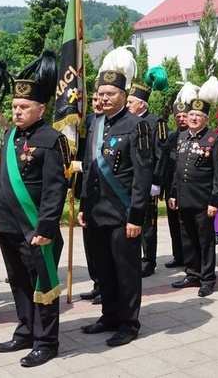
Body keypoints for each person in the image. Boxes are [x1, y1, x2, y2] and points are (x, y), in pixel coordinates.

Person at [0, 51, 70, 367]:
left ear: (40, 108)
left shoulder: (52, 139)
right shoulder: (9, 136)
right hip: (9, 226)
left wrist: (46, 229)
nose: (17, 111)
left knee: (43, 285)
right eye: (14, 107)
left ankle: (47, 341)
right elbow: (3, 181)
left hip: (36, 229)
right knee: (18, 282)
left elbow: (54, 190)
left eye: (24, 107)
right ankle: (25, 331)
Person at [79, 48, 153, 347]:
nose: (104, 98)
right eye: (101, 93)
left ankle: (128, 322)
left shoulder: (138, 127)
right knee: (104, 271)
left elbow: (143, 175)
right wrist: (84, 206)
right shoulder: (95, 123)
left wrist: (136, 215)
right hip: (97, 212)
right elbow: (88, 169)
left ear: (123, 94)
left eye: (111, 93)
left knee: (126, 272)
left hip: (123, 216)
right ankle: (109, 315)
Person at [169, 77, 218, 297]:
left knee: (205, 241)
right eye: (191, 115)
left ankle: (208, 278)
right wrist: (173, 194)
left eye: (198, 116)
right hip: (184, 198)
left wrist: (214, 201)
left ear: (206, 118)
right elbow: (177, 169)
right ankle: (192, 273)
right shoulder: (182, 137)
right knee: (187, 238)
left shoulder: (213, 139)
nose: (193, 118)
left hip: (203, 201)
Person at [126, 66, 169, 278]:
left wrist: (157, 182)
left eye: (130, 102)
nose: (127, 105)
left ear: (141, 104)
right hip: (130, 180)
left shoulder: (156, 122)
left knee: (148, 223)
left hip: (148, 181)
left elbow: (161, 154)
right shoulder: (127, 121)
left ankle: (149, 260)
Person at [78, 90, 103, 304]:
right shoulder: (89, 122)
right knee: (90, 244)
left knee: (104, 248)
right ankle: (97, 282)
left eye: (99, 99)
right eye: (93, 99)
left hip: (108, 197)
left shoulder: (113, 124)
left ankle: (106, 287)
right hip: (89, 193)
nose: (97, 103)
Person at [162, 99, 190, 269]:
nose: (181, 119)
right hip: (170, 187)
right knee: (173, 224)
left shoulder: (194, 136)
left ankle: (189, 257)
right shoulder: (171, 137)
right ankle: (178, 256)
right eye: (178, 116)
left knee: (185, 225)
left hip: (186, 187)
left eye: (184, 116)